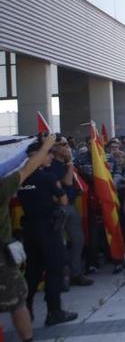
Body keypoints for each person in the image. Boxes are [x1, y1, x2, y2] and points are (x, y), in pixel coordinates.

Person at [1, 134, 58, 339]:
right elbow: (26, 169)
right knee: (17, 302)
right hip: (4, 256)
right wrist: (46, 147)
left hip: (28, 231)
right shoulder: (2, 187)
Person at [18, 136, 79, 326]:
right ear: (37, 156)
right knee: (55, 267)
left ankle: (26, 308)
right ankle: (54, 311)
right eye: (47, 154)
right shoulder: (48, 177)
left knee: (32, 271)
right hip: (48, 228)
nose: (50, 157)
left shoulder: (20, 178)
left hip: (29, 228)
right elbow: (63, 201)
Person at [47, 137, 93, 287]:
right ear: (54, 148)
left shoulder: (66, 163)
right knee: (60, 243)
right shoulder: (51, 165)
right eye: (64, 145)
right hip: (58, 207)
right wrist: (70, 164)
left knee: (78, 240)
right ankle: (63, 275)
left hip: (71, 205)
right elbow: (67, 181)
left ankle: (76, 272)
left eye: (68, 144)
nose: (68, 147)